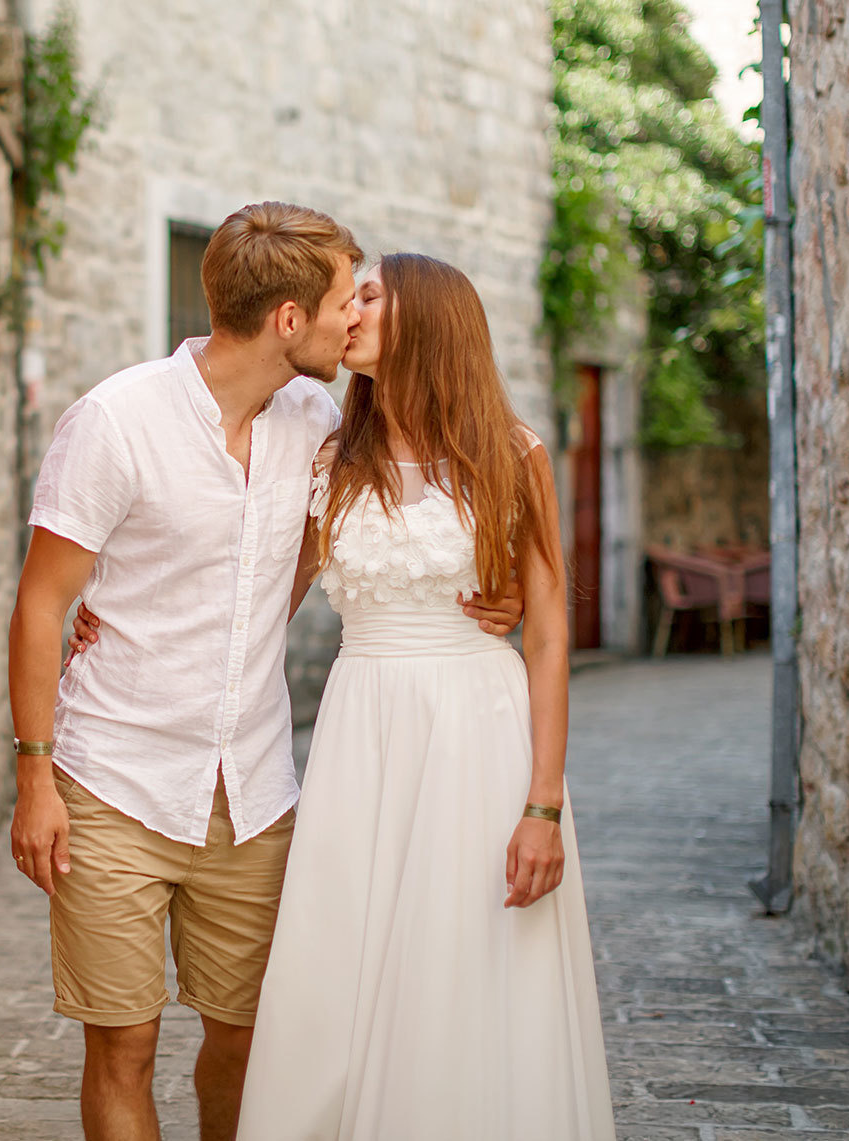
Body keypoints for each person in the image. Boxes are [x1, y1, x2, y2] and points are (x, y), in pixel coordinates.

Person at [7, 203, 521, 1141]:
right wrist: (34, 775)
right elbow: (42, 603)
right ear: (290, 320)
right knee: (121, 1047)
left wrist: (501, 592)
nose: (355, 318)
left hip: (251, 789)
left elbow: (386, 523)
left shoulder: (316, 421)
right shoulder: (115, 423)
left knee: (247, 1041)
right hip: (113, 778)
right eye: (342, 302)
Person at [234, 253, 615, 1139]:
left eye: (368, 295)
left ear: (430, 319)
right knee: (340, 961)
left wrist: (544, 805)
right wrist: (123, 613)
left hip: (477, 732)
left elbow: (550, 632)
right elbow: (259, 595)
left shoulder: (514, 455)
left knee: (464, 960)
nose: (349, 310)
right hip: (359, 729)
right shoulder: (331, 454)